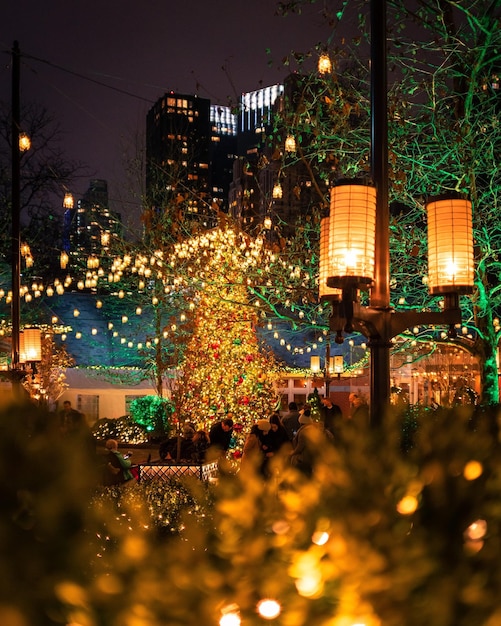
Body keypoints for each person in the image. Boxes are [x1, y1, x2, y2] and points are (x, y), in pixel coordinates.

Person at [289, 408, 316, 477]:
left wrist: (293, 453)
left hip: (304, 457)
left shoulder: (303, 431)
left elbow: (300, 446)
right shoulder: (312, 428)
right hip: (311, 455)